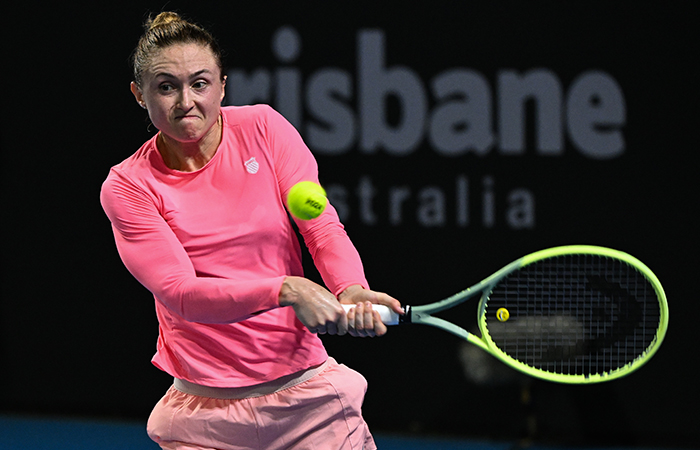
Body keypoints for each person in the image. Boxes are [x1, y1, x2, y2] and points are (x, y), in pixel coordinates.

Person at [100, 11, 403, 450]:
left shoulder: (264, 127)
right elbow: (182, 293)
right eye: (167, 87)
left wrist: (351, 289)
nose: (186, 101)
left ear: (222, 84)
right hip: (206, 418)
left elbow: (321, 228)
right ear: (139, 95)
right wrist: (288, 290)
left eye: (200, 83)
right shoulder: (129, 186)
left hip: (309, 402)